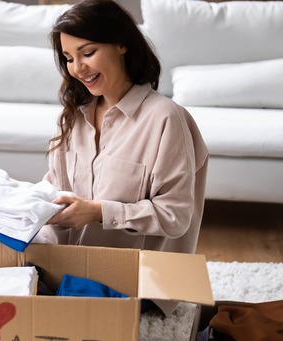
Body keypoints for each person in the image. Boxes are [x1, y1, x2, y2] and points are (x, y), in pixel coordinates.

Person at [33, 0, 209, 254]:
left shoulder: (166, 119)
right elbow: (55, 193)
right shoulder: (72, 117)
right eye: (69, 58)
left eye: (88, 53)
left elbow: (175, 215)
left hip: (137, 281)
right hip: (66, 271)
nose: (77, 68)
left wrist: (98, 211)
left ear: (121, 44)